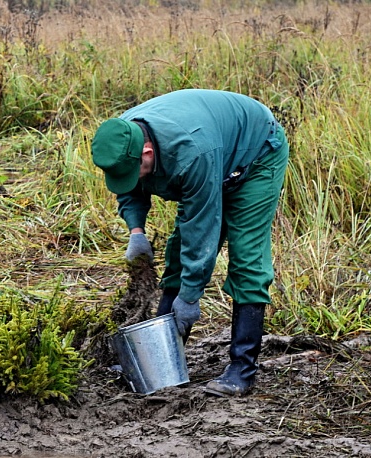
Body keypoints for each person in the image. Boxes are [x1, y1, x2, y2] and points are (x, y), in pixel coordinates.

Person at [91, 89, 289, 397]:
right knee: (178, 253)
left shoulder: (190, 152)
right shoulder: (122, 135)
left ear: (147, 153)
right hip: (213, 155)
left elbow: (203, 229)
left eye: (135, 170)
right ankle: (163, 355)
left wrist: (190, 297)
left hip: (256, 156)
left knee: (246, 257)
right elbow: (129, 185)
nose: (131, 177)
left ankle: (242, 370)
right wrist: (136, 232)